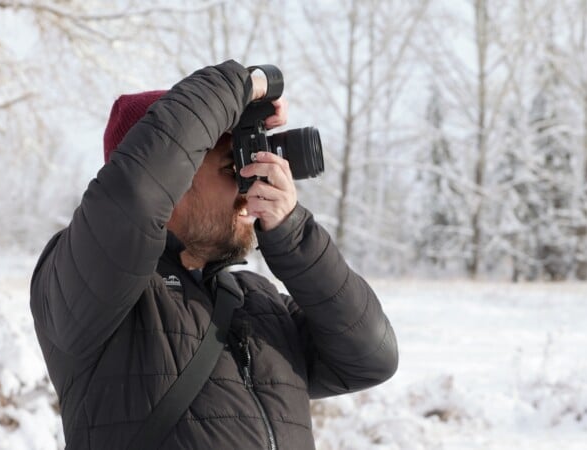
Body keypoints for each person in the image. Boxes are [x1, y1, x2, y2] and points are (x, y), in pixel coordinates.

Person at [30, 60, 398, 449]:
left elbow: (372, 356)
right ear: (174, 180)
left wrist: (292, 233)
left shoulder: (258, 301)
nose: (249, 185)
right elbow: (136, 193)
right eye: (231, 166)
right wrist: (248, 84)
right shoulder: (94, 289)